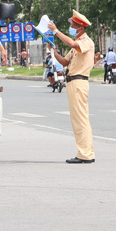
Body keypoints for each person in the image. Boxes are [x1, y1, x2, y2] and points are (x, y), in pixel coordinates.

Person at [47, 10, 96, 164]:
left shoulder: (85, 42)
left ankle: (85, 154)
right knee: (79, 119)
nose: (71, 27)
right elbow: (65, 62)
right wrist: (53, 52)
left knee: (80, 119)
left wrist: (56, 31)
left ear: (81, 27)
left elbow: (72, 43)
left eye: (73, 25)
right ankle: (87, 152)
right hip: (72, 82)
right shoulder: (77, 46)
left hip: (78, 82)